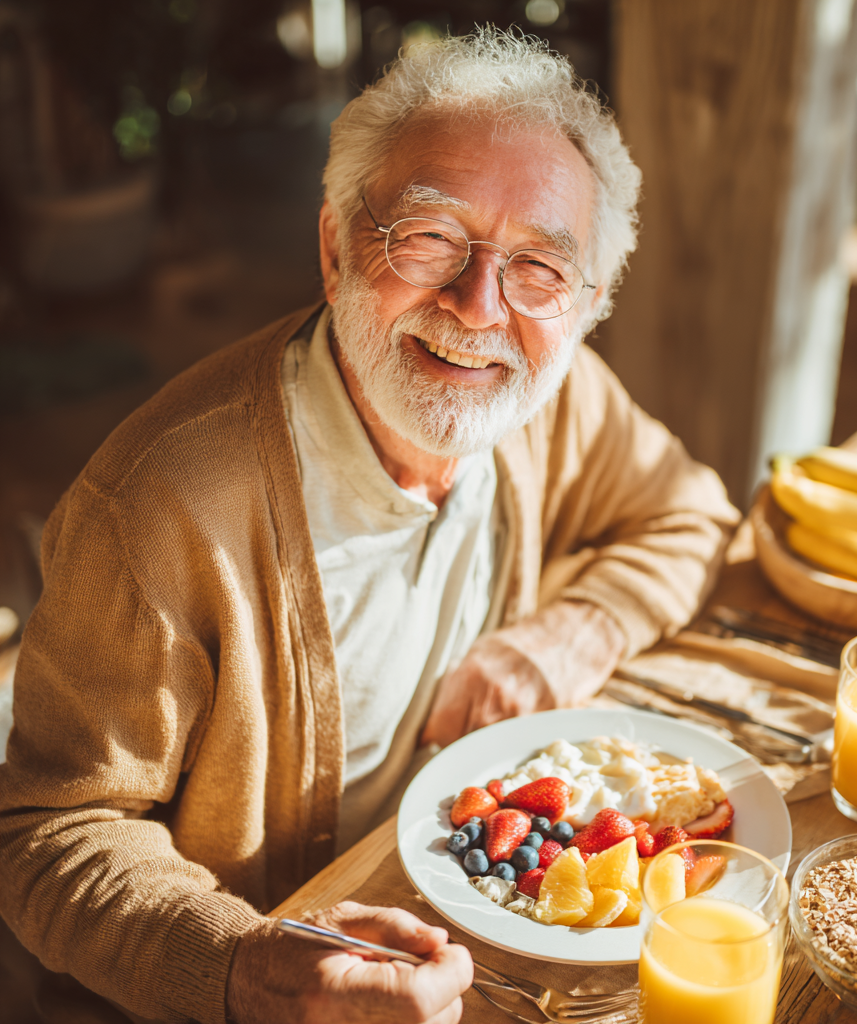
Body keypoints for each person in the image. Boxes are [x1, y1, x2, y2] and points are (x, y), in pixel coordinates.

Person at [0, 28, 739, 1024]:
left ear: (586, 306)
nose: (478, 306)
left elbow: (688, 510)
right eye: (430, 238)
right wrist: (242, 964)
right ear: (335, 246)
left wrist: (572, 629)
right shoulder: (155, 507)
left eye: (539, 270)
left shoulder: (552, 396)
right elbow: (49, 831)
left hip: (487, 930)